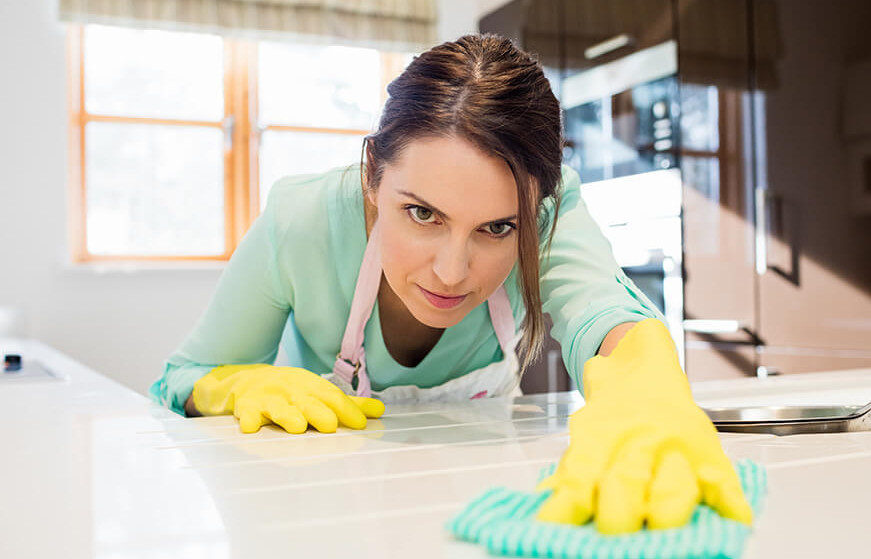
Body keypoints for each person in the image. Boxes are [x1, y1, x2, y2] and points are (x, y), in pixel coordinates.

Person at [149, 33, 751, 533]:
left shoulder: (547, 214)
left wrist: (645, 381)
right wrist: (232, 385)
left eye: (495, 228)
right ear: (372, 178)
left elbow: (605, 313)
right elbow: (180, 379)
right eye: (422, 214)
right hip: (316, 519)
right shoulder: (300, 221)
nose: (452, 272)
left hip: (479, 515)